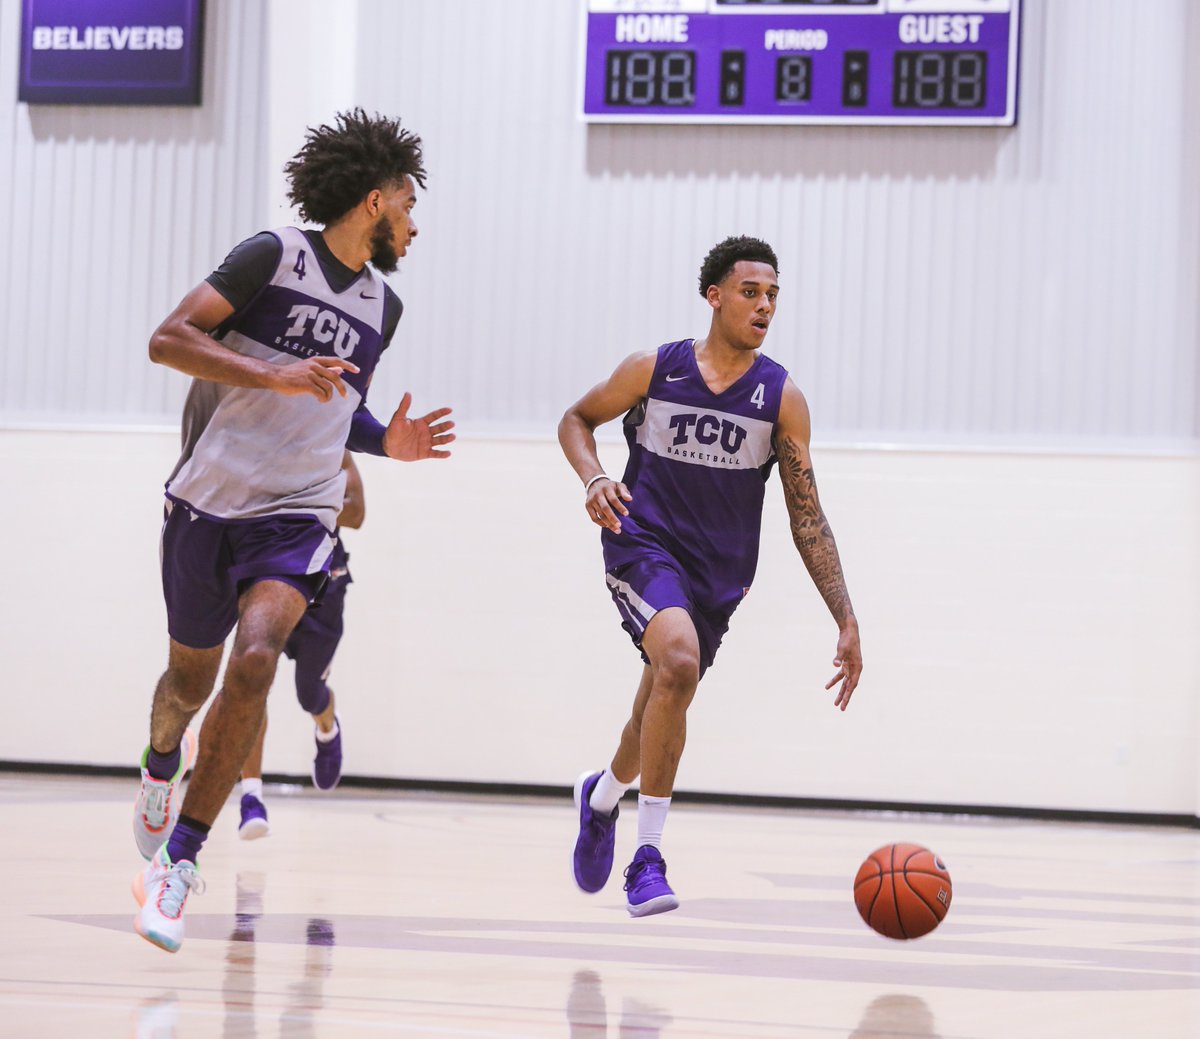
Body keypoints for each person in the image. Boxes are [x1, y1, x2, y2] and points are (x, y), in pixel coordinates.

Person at [131, 109, 454, 953]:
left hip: (298, 514)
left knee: (259, 658)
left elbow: (336, 409)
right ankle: (161, 758)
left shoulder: (385, 305)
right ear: (374, 201)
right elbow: (170, 339)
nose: (415, 226)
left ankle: (180, 864)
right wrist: (271, 371)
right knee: (184, 686)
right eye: (409, 206)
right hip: (208, 502)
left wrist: (390, 441)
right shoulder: (273, 255)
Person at [558, 235, 863, 917]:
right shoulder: (655, 369)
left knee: (658, 704)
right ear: (714, 295)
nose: (765, 306)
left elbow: (807, 516)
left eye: (774, 295)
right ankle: (648, 858)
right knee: (676, 662)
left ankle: (602, 797)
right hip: (642, 544)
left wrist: (844, 615)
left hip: (718, 577)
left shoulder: (780, 398)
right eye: (752, 291)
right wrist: (595, 476)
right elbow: (576, 419)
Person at [237, 450, 365, 840]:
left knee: (308, 694)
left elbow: (357, 513)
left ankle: (327, 728)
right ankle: (251, 798)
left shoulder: (334, 447)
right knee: (252, 680)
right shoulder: (258, 444)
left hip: (325, 582)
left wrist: (310, 506)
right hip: (268, 571)